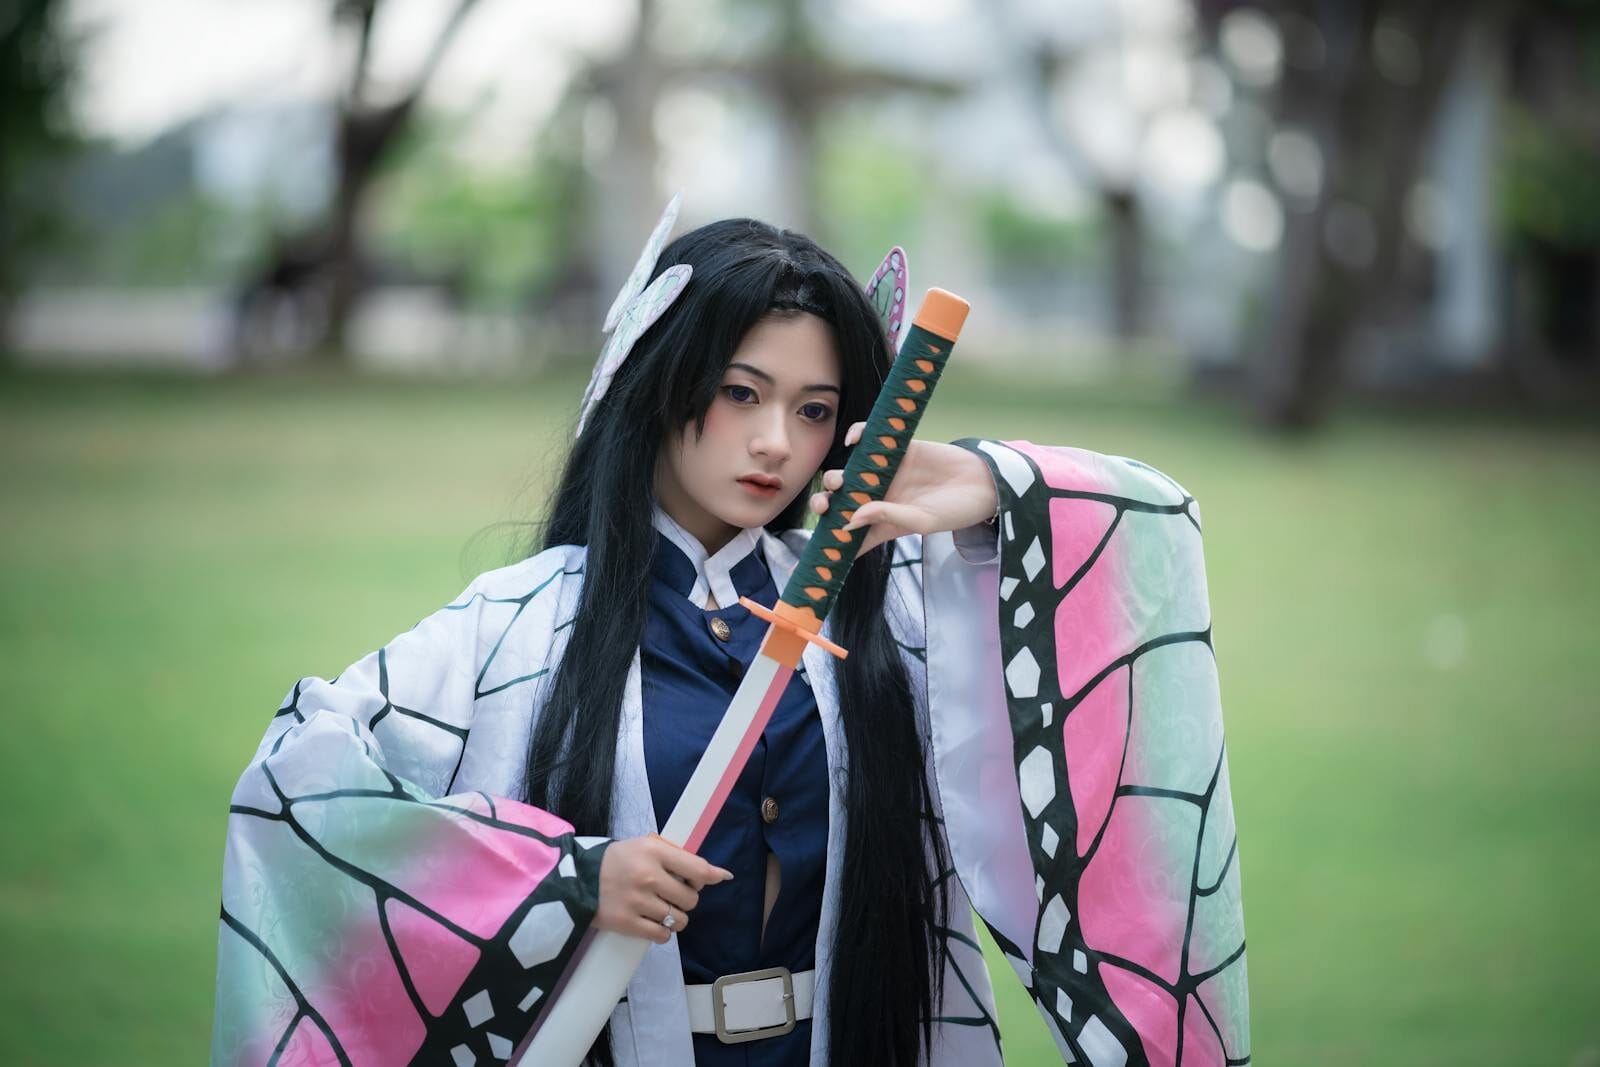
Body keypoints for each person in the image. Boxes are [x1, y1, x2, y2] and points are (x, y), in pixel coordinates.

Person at [210, 207, 1250, 1067]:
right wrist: (561, 879)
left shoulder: (882, 615)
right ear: (659, 383)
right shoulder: (517, 621)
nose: (773, 443)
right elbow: (296, 786)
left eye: (813, 410)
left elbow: (1149, 536)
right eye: (741, 392)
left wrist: (993, 488)